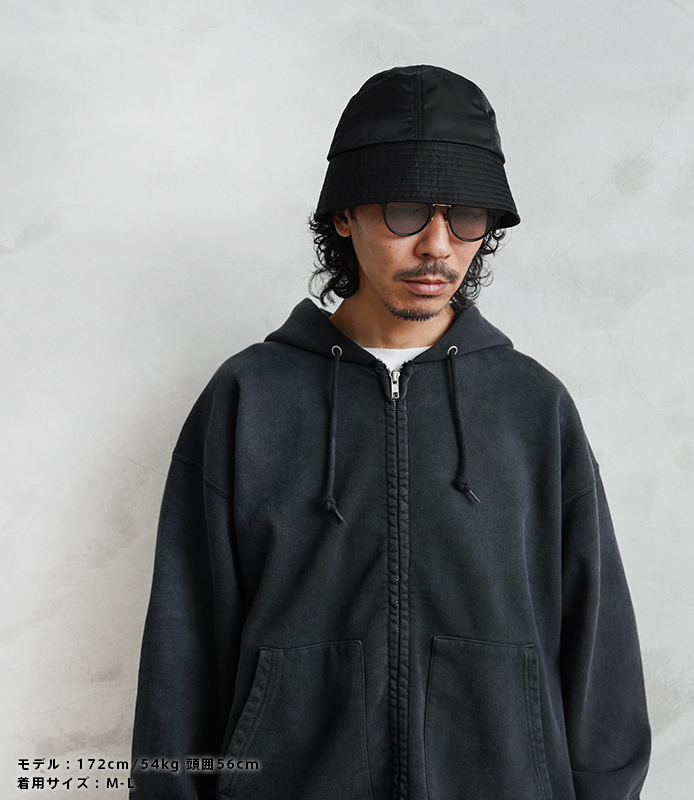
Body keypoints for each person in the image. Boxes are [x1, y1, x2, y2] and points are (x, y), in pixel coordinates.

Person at [130, 64, 651, 800]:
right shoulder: (248, 398)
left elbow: (601, 655)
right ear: (344, 215)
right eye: (406, 210)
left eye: (465, 216)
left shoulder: (533, 408)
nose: (438, 245)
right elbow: (182, 654)